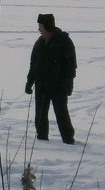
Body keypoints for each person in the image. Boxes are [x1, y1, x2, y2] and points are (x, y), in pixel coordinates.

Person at [25, 13, 77, 144]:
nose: (39, 29)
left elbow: (71, 66)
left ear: (47, 26)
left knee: (61, 115)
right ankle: (42, 140)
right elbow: (34, 64)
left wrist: (68, 84)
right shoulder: (39, 42)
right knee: (40, 116)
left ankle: (68, 140)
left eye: (40, 26)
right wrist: (29, 82)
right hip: (41, 85)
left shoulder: (64, 41)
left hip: (58, 86)